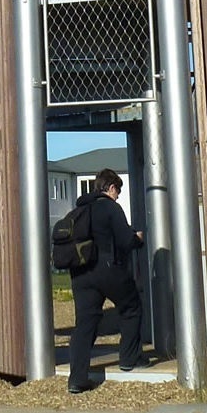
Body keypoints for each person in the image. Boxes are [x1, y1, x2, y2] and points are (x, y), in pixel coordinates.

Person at [65, 168, 143, 394]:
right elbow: (125, 241)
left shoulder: (79, 209)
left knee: (85, 323)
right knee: (131, 307)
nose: (118, 195)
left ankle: (77, 379)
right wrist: (137, 238)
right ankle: (129, 359)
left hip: (80, 274)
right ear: (110, 188)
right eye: (118, 190)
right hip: (108, 269)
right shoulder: (111, 208)